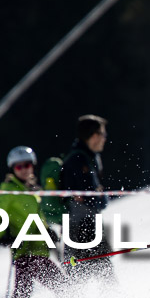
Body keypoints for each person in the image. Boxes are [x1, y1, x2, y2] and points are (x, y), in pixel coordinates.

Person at [0, 146, 68, 298]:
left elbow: (36, 217)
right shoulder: (9, 190)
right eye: (19, 167)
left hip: (37, 250)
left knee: (22, 296)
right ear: (12, 169)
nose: (24, 170)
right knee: (64, 287)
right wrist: (2, 235)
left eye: (27, 165)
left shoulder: (32, 190)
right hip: (27, 252)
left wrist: (48, 232)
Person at [60, 114, 114, 281]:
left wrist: (98, 195)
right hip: (80, 227)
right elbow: (88, 196)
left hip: (89, 223)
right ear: (94, 135)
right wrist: (98, 195)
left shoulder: (90, 157)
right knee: (99, 274)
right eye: (103, 135)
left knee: (98, 273)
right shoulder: (78, 160)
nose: (105, 139)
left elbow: (94, 197)